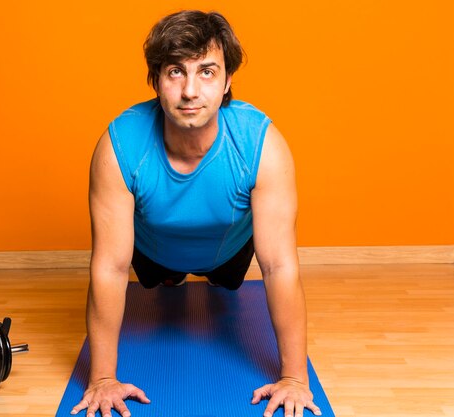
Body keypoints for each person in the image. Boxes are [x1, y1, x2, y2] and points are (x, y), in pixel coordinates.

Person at [72, 10, 322, 417]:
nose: (190, 90)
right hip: (153, 251)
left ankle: (206, 274)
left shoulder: (262, 144)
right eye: (175, 72)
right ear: (154, 81)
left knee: (224, 285)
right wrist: (102, 379)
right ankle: (171, 274)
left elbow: (278, 265)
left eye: (206, 72)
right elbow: (111, 268)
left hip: (229, 252)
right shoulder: (119, 145)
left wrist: (294, 379)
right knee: (163, 278)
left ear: (227, 83)